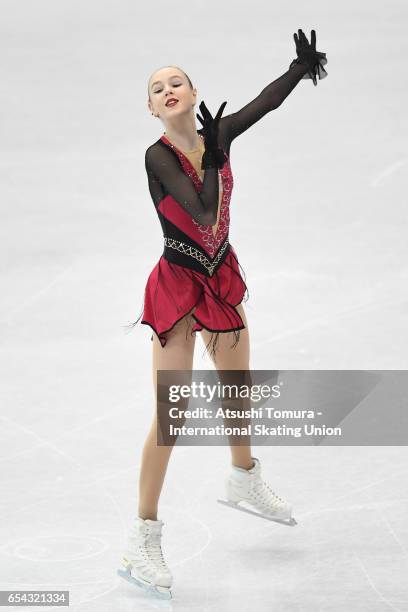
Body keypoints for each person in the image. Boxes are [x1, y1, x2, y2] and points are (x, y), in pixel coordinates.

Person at [118, 29, 328, 600]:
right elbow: (204, 213)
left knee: (238, 390)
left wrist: (297, 68)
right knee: (173, 414)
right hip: (178, 286)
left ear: (193, 91)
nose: (167, 90)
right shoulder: (157, 157)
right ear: (150, 107)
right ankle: (142, 537)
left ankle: (244, 479)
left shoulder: (219, 135)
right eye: (156, 88)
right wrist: (213, 152)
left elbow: (264, 102)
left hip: (220, 276)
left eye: (175, 82)